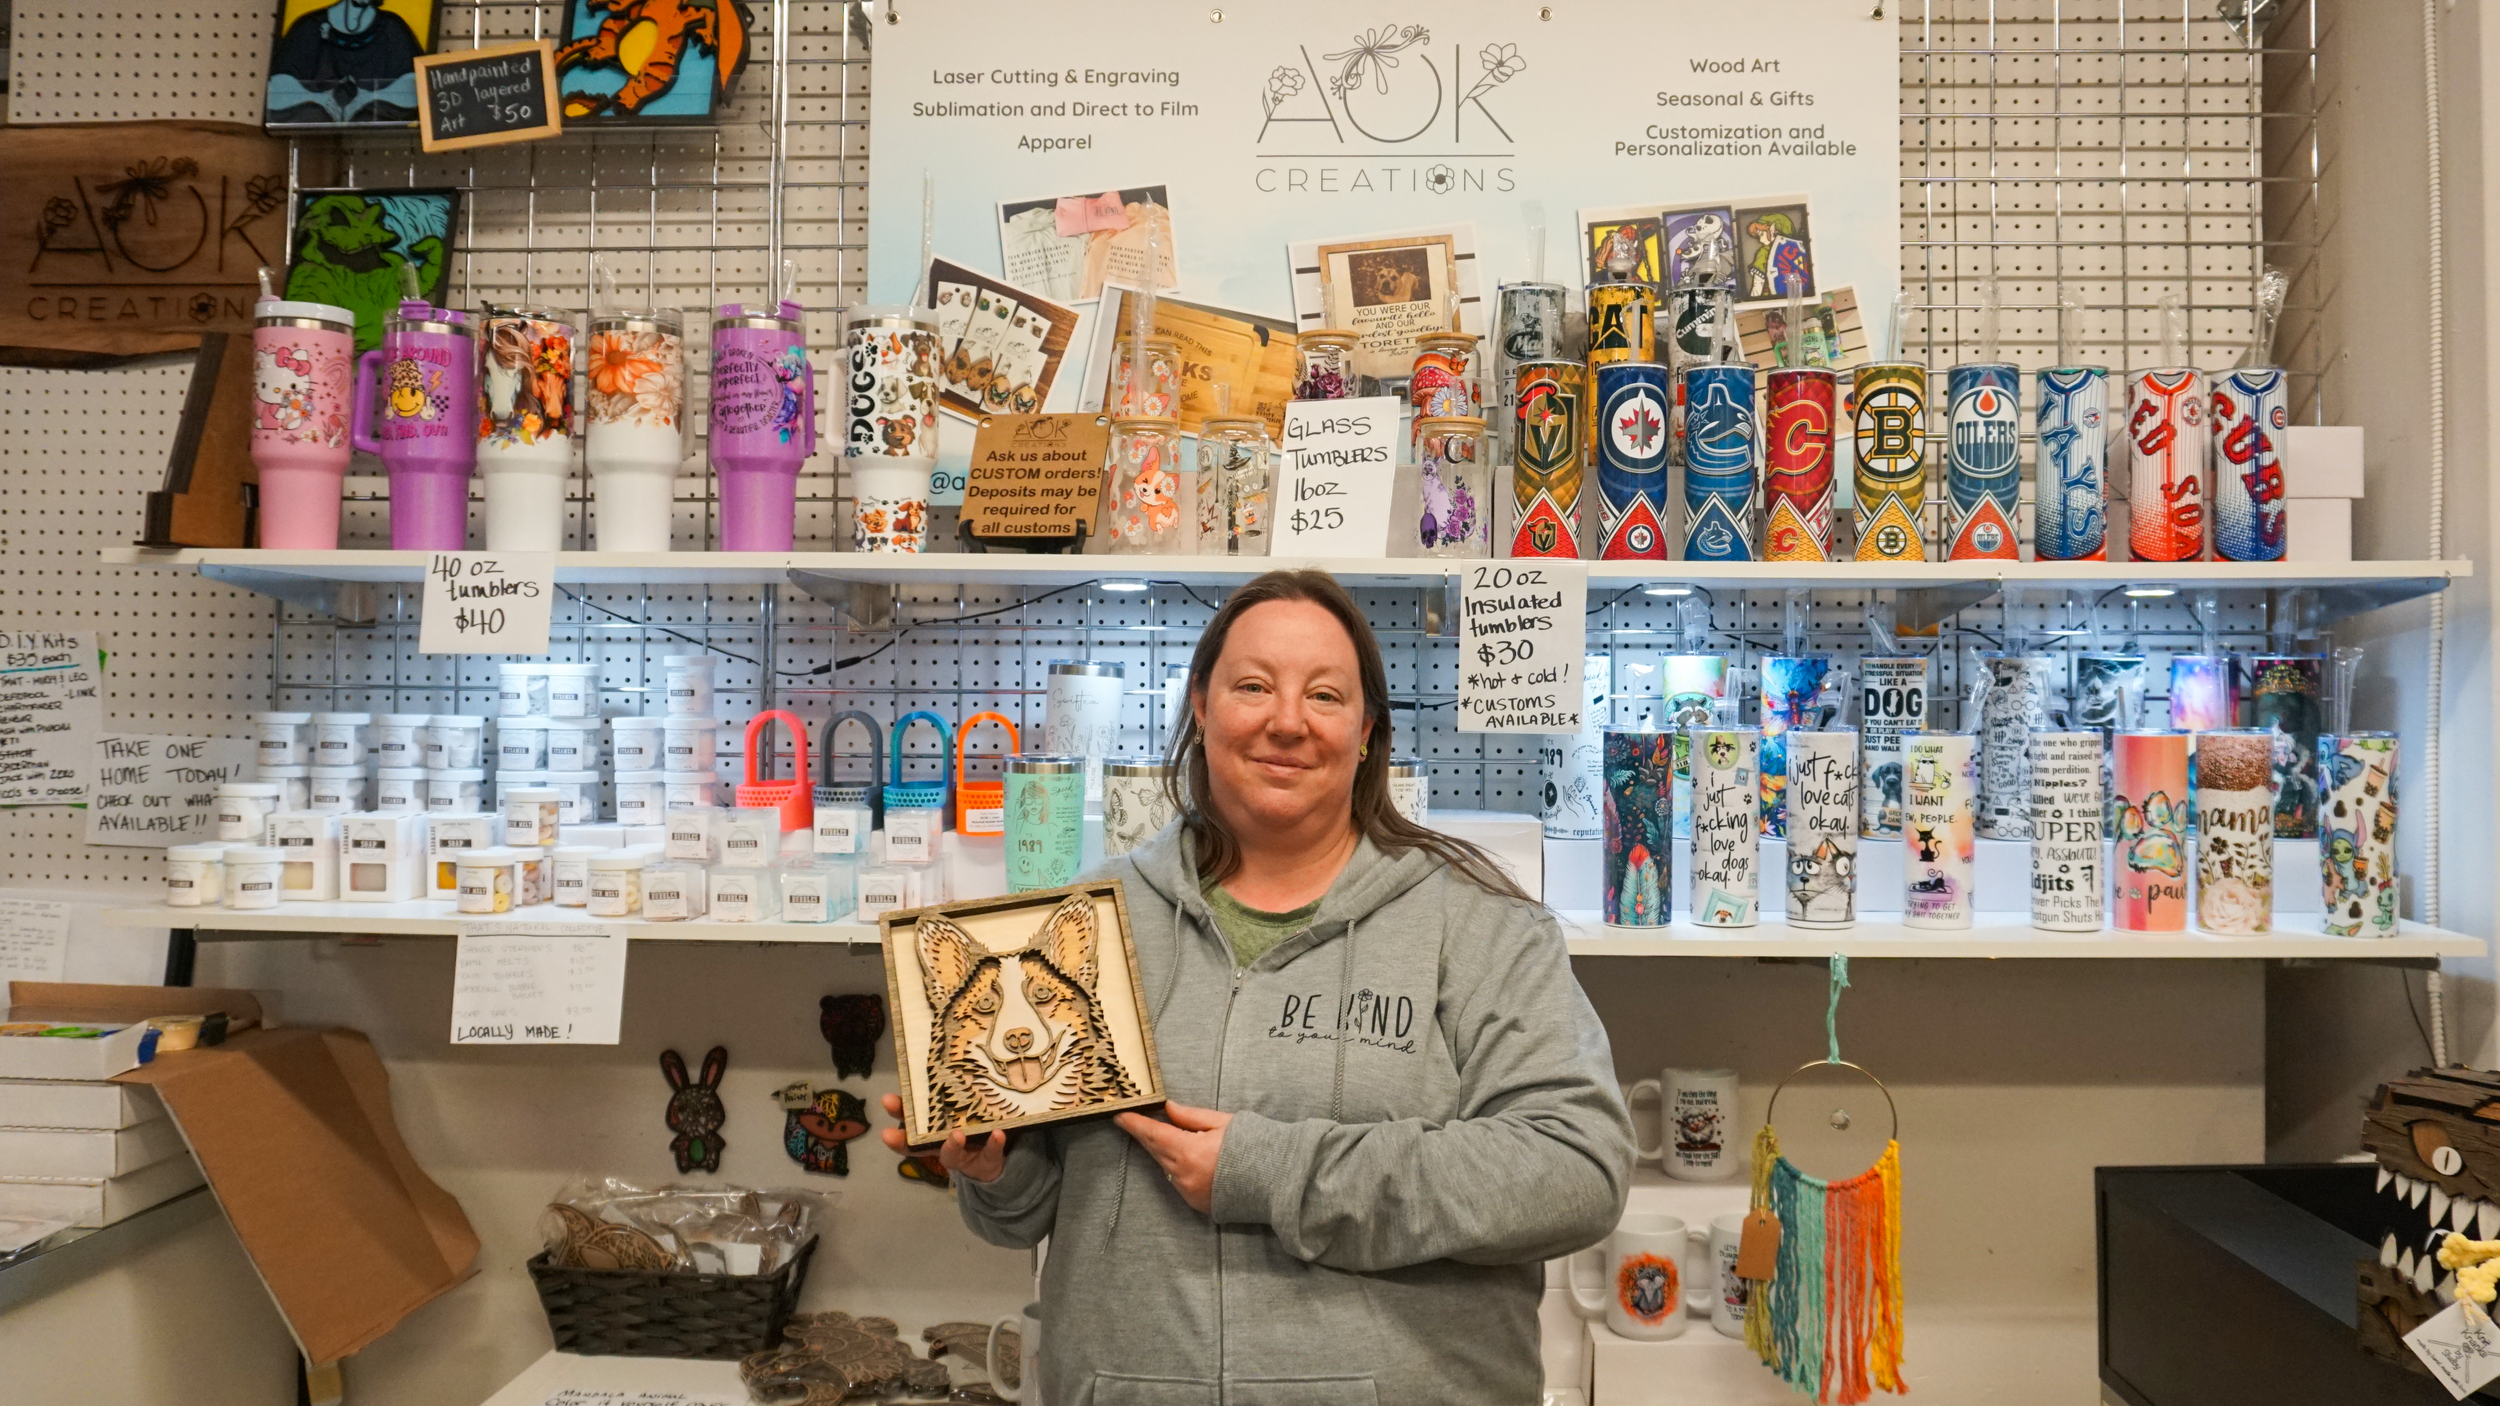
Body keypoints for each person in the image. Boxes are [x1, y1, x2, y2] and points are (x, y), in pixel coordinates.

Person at [880, 569, 1633, 1405]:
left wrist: (1275, 1171)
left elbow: (1576, 1171)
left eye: (1325, 695)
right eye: (1253, 686)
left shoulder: (1478, 926)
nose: (1287, 721)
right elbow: (1032, 1216)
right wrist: (993, 1167)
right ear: (1201, 707)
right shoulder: (1079, 931)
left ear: (1366, 732)